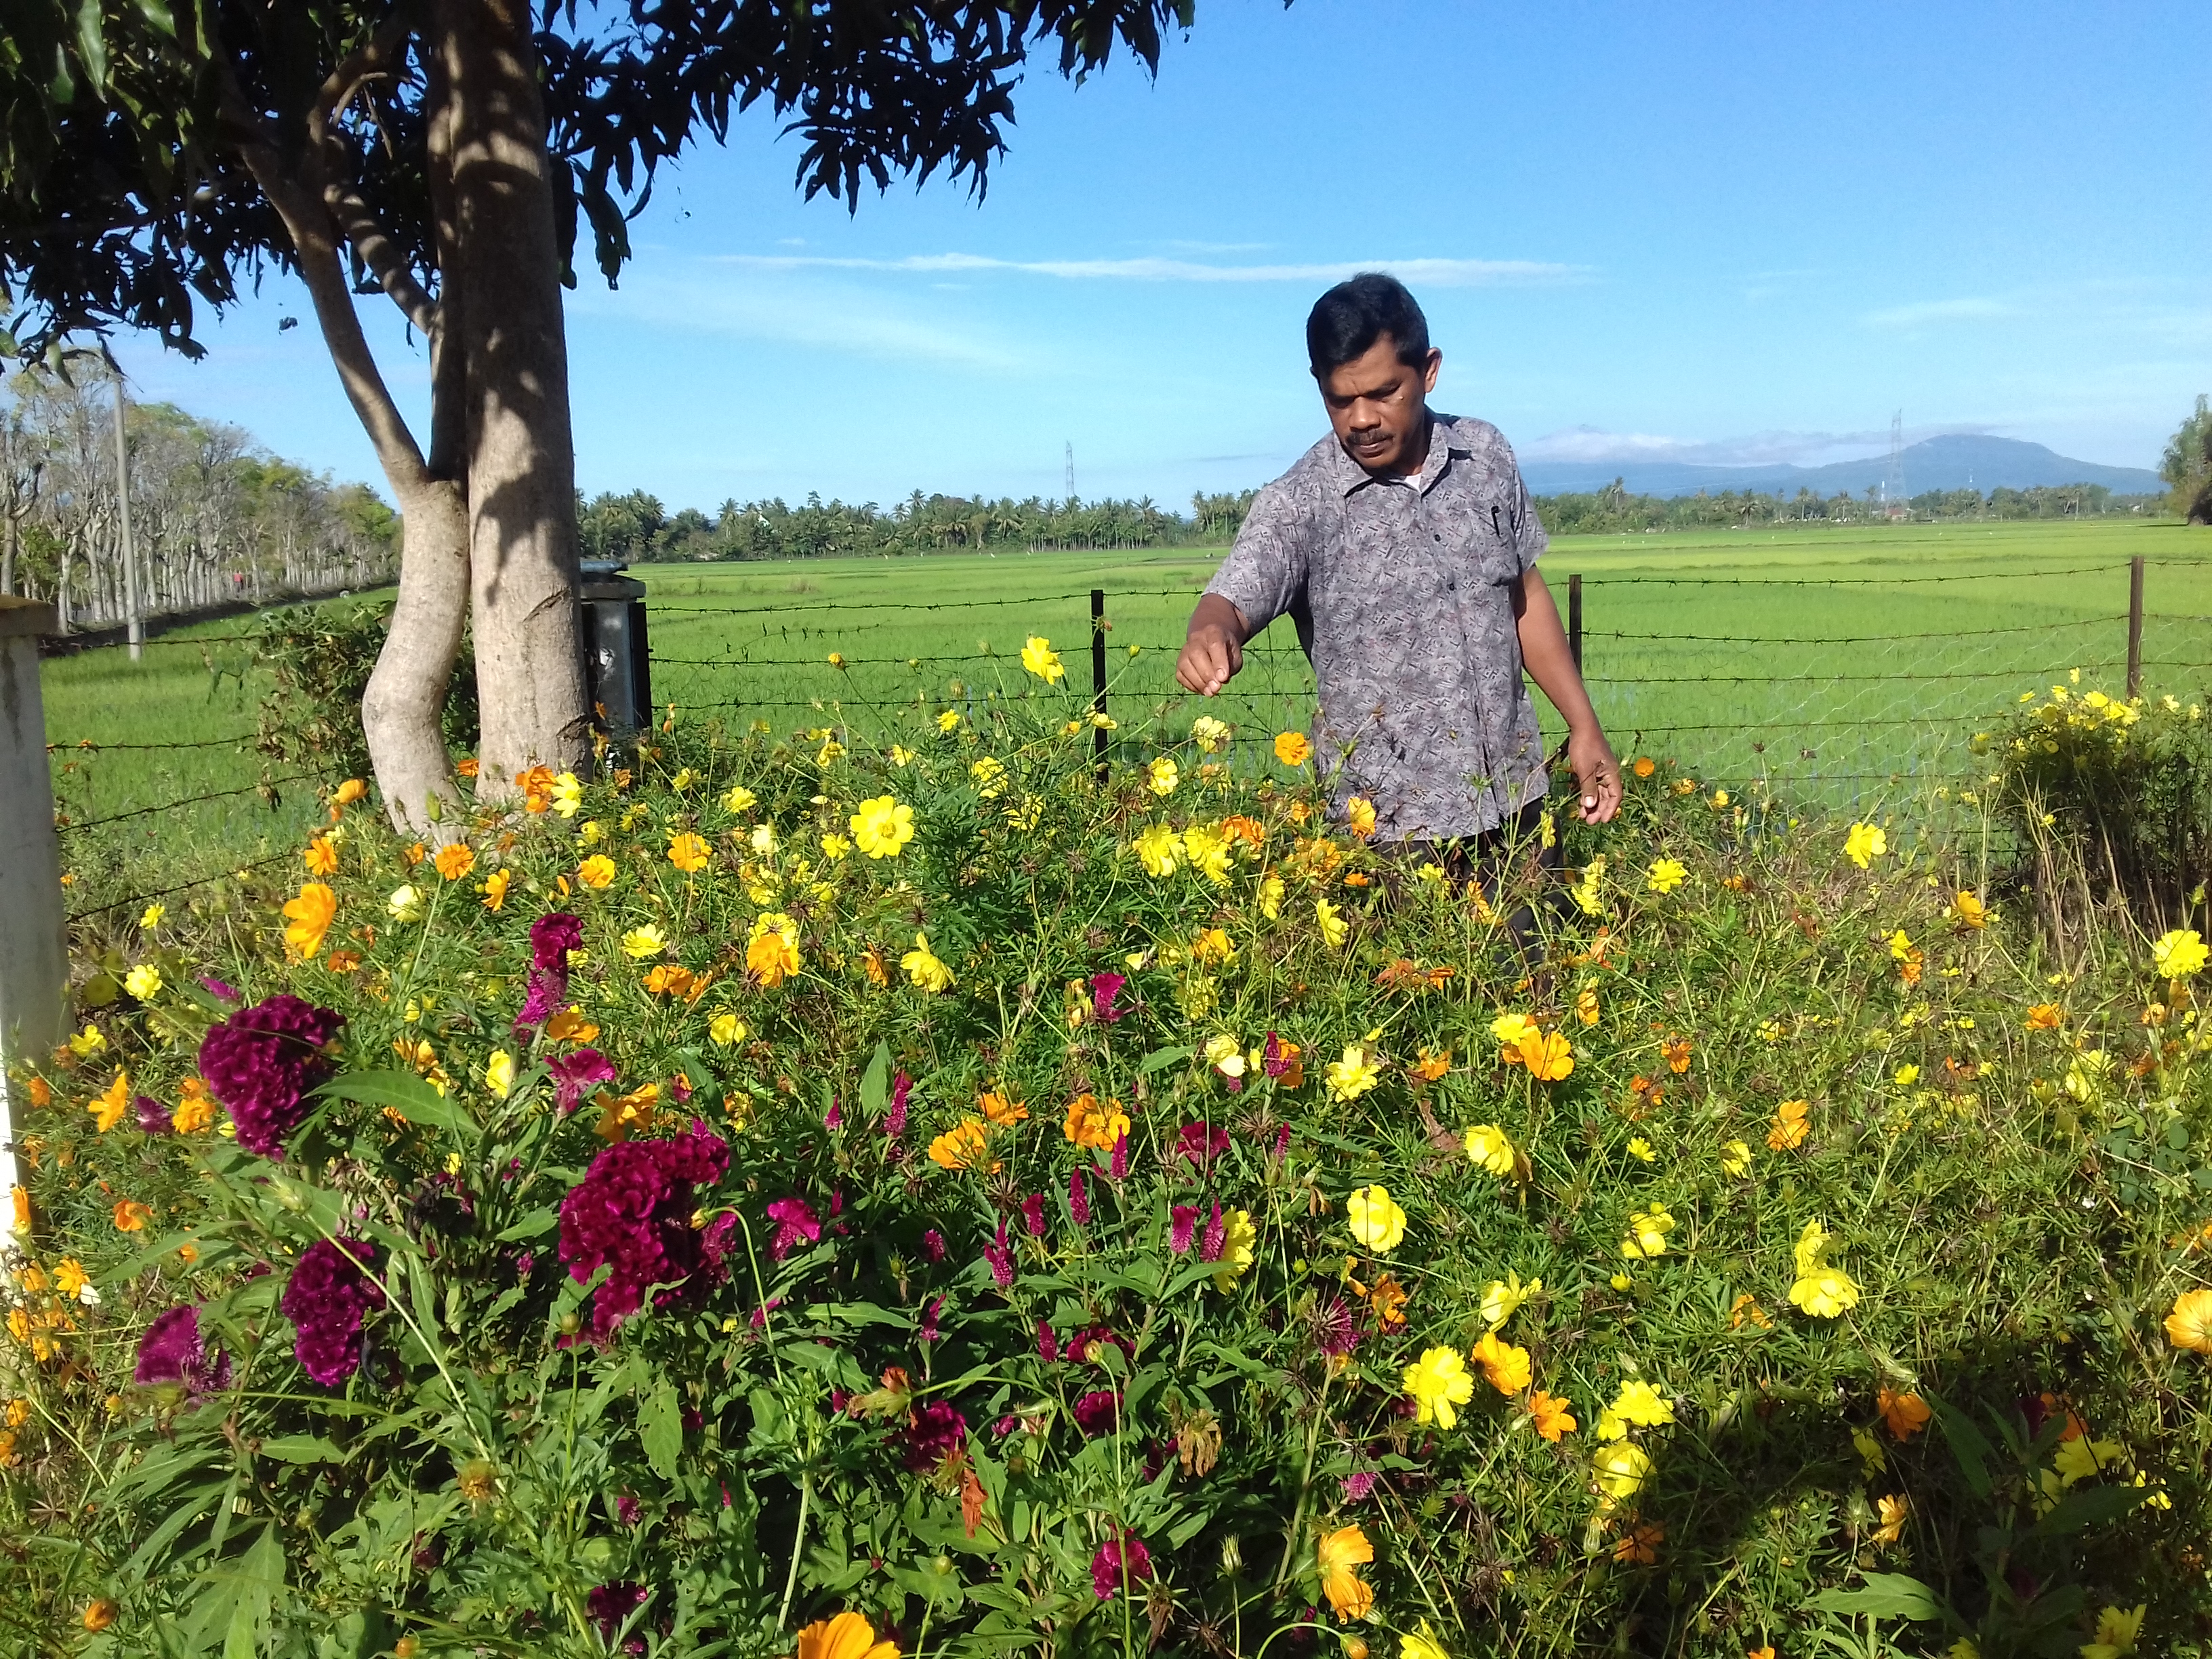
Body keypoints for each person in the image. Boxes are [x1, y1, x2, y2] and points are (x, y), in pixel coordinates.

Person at [1176, 272, 1619, 912]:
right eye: (1340, 400)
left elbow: (1522, 597)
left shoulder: (1486, 456)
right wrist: (1209, 632)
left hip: (1517, 809)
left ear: (1429, 370)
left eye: (1384, 392)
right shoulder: (1300, 502)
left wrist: (1584, 727)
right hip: (1386, 838)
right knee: (1406, 1004)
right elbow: (1230, 598)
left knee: (1533, 997)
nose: (1361, 419)